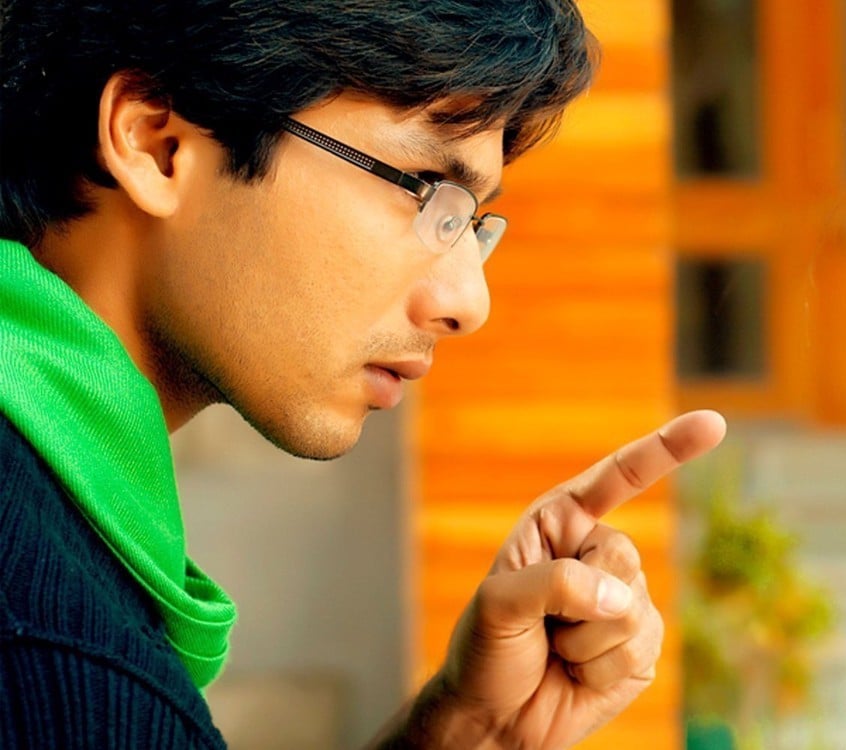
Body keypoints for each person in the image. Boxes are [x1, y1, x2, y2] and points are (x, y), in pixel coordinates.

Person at [0, 1, 726, 748]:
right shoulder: (60, 670)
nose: (468, 301)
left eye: (471, 222)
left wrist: (466, 730)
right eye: (423, 187)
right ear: (157, 145)